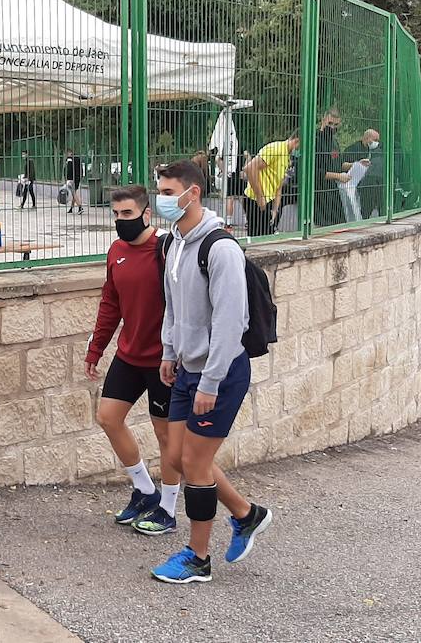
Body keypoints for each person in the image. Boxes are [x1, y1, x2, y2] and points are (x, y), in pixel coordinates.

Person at [151, 160, 272, 584]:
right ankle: (246, 513)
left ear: (193, 193)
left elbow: (229, 321)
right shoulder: (173, 244)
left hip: (218, 373)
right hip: (186, 368)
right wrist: (169, 353)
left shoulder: (220, 249)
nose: (161, 199)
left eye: (168, 192)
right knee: (176, 457)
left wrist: (211, 381)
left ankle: (197, 558)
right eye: (160, 191)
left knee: (196, 466)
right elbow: (173, 307)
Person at [84, 185, 181, 536]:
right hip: (129, 354)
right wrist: (96, 349)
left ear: (146, 214)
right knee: (108, 417)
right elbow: (111, 302)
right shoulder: (116, 251)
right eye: (116, 214)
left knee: (166, 435)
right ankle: (144, 490)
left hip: (165, 360)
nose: (121, 220)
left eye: (128, 214)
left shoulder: (168, 249)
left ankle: (168, 509)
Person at [242, 133, 299, 237]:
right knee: (258, 240)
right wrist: (260, 197)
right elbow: (249, 168)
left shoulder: (286, 156)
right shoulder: (276, 149)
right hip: (256, 200)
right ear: (296, 141)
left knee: (266, 238)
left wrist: (275, 209)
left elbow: (279, 185)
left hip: (269, 201)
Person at [312, 107, 351, 228]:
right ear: (323, 120)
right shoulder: (315, 140)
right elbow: (315, 171)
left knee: (338, 226)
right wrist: (338, 176)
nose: (332, 127)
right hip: (319, 193)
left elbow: (338, 164)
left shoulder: (335, 142)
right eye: (330, 123)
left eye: (336, 124)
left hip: (334, 192)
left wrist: (355, 165)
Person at [341, 129, 383, 219]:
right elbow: (342, 165)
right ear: (367, 138)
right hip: (353, 182)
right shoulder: (353, 149)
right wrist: (357, 164)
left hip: (370, 182)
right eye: (375, 140)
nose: (377, 143)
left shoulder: (374, 151)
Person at [65, 149, 84, 214]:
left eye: (67, 153)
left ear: (70, 153)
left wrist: (68, 178)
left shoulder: (70, 159)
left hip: (71, 178)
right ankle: (71, 208)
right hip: (77, 178)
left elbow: (69, 169)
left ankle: (80, 207)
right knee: (74, 193)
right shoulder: (78, 159)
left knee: (73, 193)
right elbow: (81, 168)